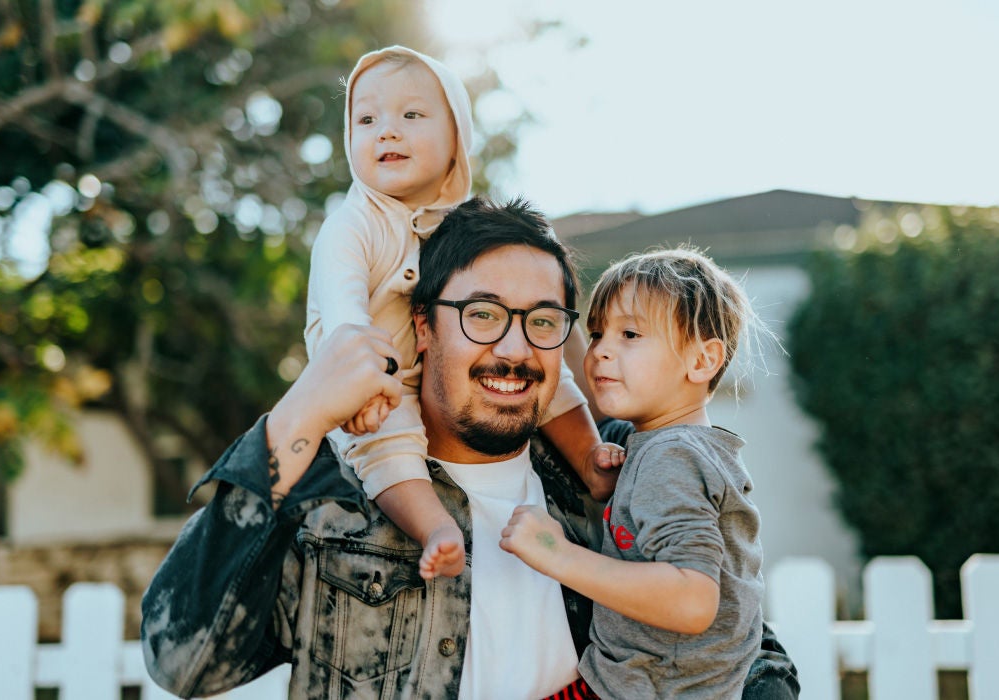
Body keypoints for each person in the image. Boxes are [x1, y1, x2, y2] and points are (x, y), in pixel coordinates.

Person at [141, 197, 799, 699]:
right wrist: (296, 417)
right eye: (482, 315)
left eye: (542, 322)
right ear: (423, 327)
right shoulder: (329, 492)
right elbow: (183, 660)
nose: (514, 349)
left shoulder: (613, 467)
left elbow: (740, 637)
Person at [304, 46, 621, 581]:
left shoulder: (464, 228)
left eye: (411, 115)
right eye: (366, 119)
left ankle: (590, 459)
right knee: (388, 448)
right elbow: (344, 321)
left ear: (457, 139)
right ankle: (435, 528)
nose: (386, 131)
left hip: (423, 373)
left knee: (550, 373)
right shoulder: (352, 225)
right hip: (372, 385)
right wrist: (362, 388)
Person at [502, 248, 772, 699]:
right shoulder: (679, 449)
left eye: (629, 334)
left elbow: (692, 600)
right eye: (596, 333)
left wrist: (555, 554)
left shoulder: (671, 456)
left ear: (702, 361)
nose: (601, 350)